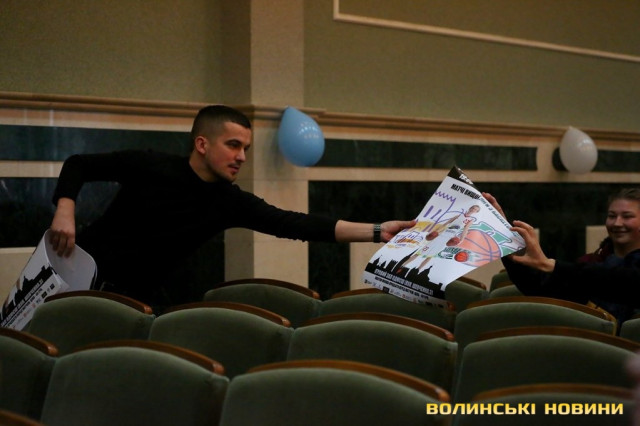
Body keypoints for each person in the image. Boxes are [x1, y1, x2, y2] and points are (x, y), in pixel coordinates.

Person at [48, 105, 415, 311]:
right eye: (233, 145)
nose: (241, 157)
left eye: (246, 149)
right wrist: (65, 211)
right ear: (202, 144)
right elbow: (79, 164)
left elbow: (296, 224)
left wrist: (377, 231)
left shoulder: (228, 201)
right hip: (71, 272)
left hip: (131, 303)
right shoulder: (150, 164)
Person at [484, 189, 640, 326]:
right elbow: (541, 289)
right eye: (612, 216)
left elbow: (623, 282)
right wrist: (502, 230)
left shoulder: (586, 272)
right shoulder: (589, 263)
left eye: (627, 216)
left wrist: (550, 265)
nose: (617, 223)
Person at [395, 204, 480, 277]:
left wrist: (461, 239)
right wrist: (436, 231)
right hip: (441, 235)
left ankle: (417, 270)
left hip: (448, 238)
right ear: (470, 208)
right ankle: (402, 266)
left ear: (476, 212)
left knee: (431, 256)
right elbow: (446, 223)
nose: (473, 210)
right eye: (473, 208)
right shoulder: (459, 215)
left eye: (475, 209)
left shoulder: (470, 220)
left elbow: (465, 230)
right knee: (420, 252)